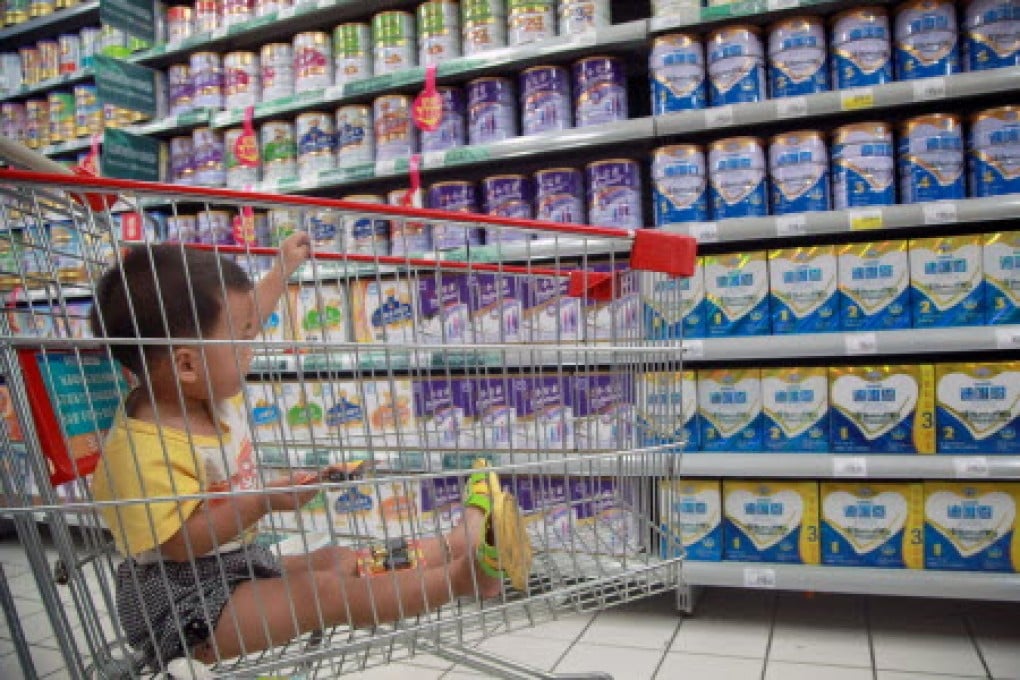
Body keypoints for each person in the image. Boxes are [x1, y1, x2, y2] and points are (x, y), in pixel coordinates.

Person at [89, 235, 504, 670]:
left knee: (340, 559)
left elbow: (249, 315)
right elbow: (179, 544)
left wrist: (280, 271)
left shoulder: (203, 392)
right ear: (187, 364)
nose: (253, 348)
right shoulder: (140, 450)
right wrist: (262, 502)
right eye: (243, 342)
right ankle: (465, 579)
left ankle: (453, 544)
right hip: (181, 605)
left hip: (236, 566)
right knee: (321, 593)